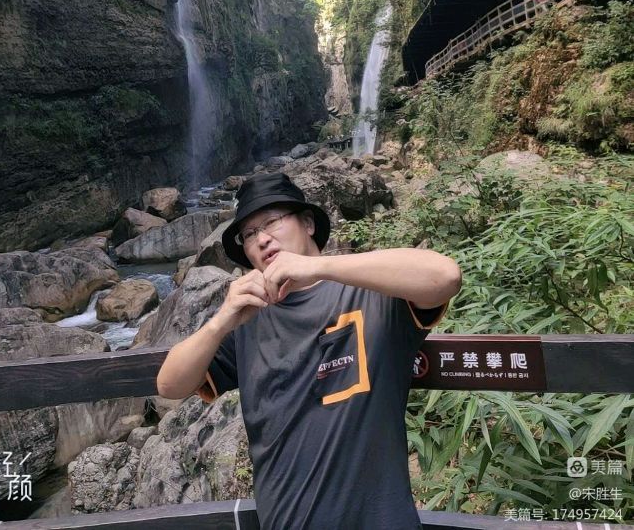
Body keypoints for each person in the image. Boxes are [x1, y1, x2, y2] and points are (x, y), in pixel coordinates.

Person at [156, 172, 462, 530]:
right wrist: (221, 321)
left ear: (308, 224)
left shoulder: (373, 293)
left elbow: (445, 276)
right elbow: (169, 385)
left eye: (272, 221)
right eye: (249, 234)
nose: (262, 238)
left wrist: (318, 267)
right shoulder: (247, 319)